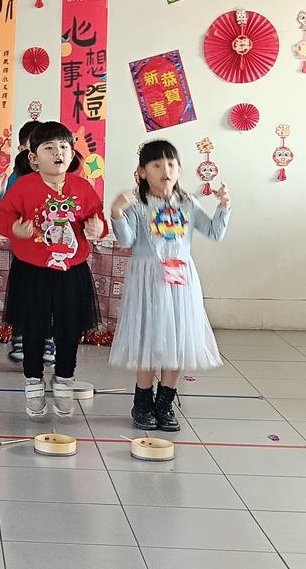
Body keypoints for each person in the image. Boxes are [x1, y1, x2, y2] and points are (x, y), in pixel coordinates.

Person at [108, 140, 230, 432]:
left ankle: (165, 402)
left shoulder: (188, 203)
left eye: (171, 164)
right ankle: (142, 402)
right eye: (157, 165)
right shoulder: (137, 204)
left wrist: (224, 207)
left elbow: (214, 232)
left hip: (180, 281)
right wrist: (117, 211)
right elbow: (126, 240)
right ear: (142, 172)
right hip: (147, 280)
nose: (166, 170)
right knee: (149, 339)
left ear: (179, 169)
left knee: (178, 338)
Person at [0, 121, 106, 418]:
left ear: (72, 154)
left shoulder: (82, 187)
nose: (58, 152)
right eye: (49, 147)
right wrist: (14, 229)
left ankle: (64, 379)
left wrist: (98, 228)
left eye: (64, 146)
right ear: (33, 158)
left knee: (70, 329)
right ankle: (33, 381)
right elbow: (3, 218)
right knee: (33, 329)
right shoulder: (24, 186)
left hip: (72, 272)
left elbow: (97, 219)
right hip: (32, 272)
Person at [0, 120, 51, 365]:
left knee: (50, 296)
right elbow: (5, 211)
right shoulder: (16, 177)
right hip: (24, 251)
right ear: (22, 150)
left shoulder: (55, 177)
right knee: (23, 293)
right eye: (33, 145)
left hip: (50, 251)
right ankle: (19, 337)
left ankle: (48, 340)